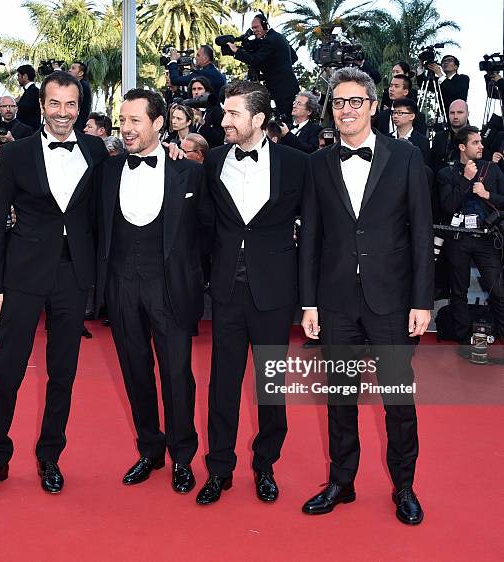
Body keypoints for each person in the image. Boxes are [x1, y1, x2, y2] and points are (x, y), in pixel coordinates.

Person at [0, 71, 109, 497]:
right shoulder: (16, 154)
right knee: (6, 370)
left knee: (62, 372)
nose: (63, 113)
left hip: (72, 275)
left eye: (70, 105)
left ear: (79, 107)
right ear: (41, 105)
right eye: (55, 104)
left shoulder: (96, 149)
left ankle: (50, 457)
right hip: (22, 277)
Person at [300, 67, 433, 526]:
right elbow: (311, 237)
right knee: (340, 396)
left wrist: (422, 302)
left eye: (356, 101)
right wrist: (309, 303)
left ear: (374, 107)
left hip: (393, 299)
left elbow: (420, 234)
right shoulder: (317, 163)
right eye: (339, 102)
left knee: (397, 399)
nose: (346, 110)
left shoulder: (407, 157)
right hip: (336, 299)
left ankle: (405, 486)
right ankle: (342, 481)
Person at [195, 81, 310, 506]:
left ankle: (265, 465)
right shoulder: (214, 161)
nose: (223, 121)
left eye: (233, 115)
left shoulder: (297, 163)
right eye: (224, 113)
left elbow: (311, 228)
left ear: (258, 119)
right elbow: (205, 223)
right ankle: (219, 469)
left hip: (274, 290)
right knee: (222, 384)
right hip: (226, 289)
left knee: (270, 385)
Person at [94, 88, 213, 494]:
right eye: (122, 120)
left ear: (159, 124)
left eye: (134, 121)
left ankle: (183, 456)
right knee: (135, 372)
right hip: (122, 285)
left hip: (171, 289)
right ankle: (150, 449)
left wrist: (200, 281)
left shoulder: (190, 172)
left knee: (178, 376)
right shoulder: (106, 171)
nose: (125, 129)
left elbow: (208, 232)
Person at [437, 126, 504, 349]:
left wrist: (487, 194)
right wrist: (465, 180)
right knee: (458, 290)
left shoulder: (493, 170)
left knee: (498, 289)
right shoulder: (446, 173)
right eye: (475, 142)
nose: (481, 146)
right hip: (458, 239)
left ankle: (502, 334)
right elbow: (447, 206)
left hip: (487, 238)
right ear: (462, 147)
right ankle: (463, 337)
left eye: (481, 142)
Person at [227, 14, 299, 118]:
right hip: (289, 87)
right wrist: (276, 66)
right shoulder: (278, 37)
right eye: (252, 28)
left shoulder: (270, 40)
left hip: (281, 91)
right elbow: (294, 57)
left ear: (265, 25)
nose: (254, 30)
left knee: (284, 121)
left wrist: (236, 51)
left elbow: (255, 60)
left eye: (256, 27)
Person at [430, 99, 470, 173]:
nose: (455, 116)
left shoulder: (474, 138)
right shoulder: (439, 137)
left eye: (460, 112)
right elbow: (432, 164)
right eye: (452, 113)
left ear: (468, 114)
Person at [187, 76, 225, 148]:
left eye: (200, 89)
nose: (196, 92)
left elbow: (219, 139)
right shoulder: (188, 111)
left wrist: (202, 122)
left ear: (207, 92)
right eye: (193, 89)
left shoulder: (217, 112)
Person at [390, 97, 430, 164]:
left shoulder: (422, 141)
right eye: (394, 113)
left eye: (400, 113)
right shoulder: (386, 138)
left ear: (412, 116)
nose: (395, 116)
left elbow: (424, 167)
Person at [16, 64, 41, 131]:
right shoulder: (29, 91)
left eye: (18, 75)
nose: (17, 78)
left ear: (25, 76)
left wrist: (15, 103)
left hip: (29, 132)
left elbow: (27, 107)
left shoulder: (34, 91)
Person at [69, 61, 93, 130]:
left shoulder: (82, 85)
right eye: (70, 68)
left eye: (73, 68)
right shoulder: (79, 84)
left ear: (81, 73)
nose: (70, 70)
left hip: (79, 123)